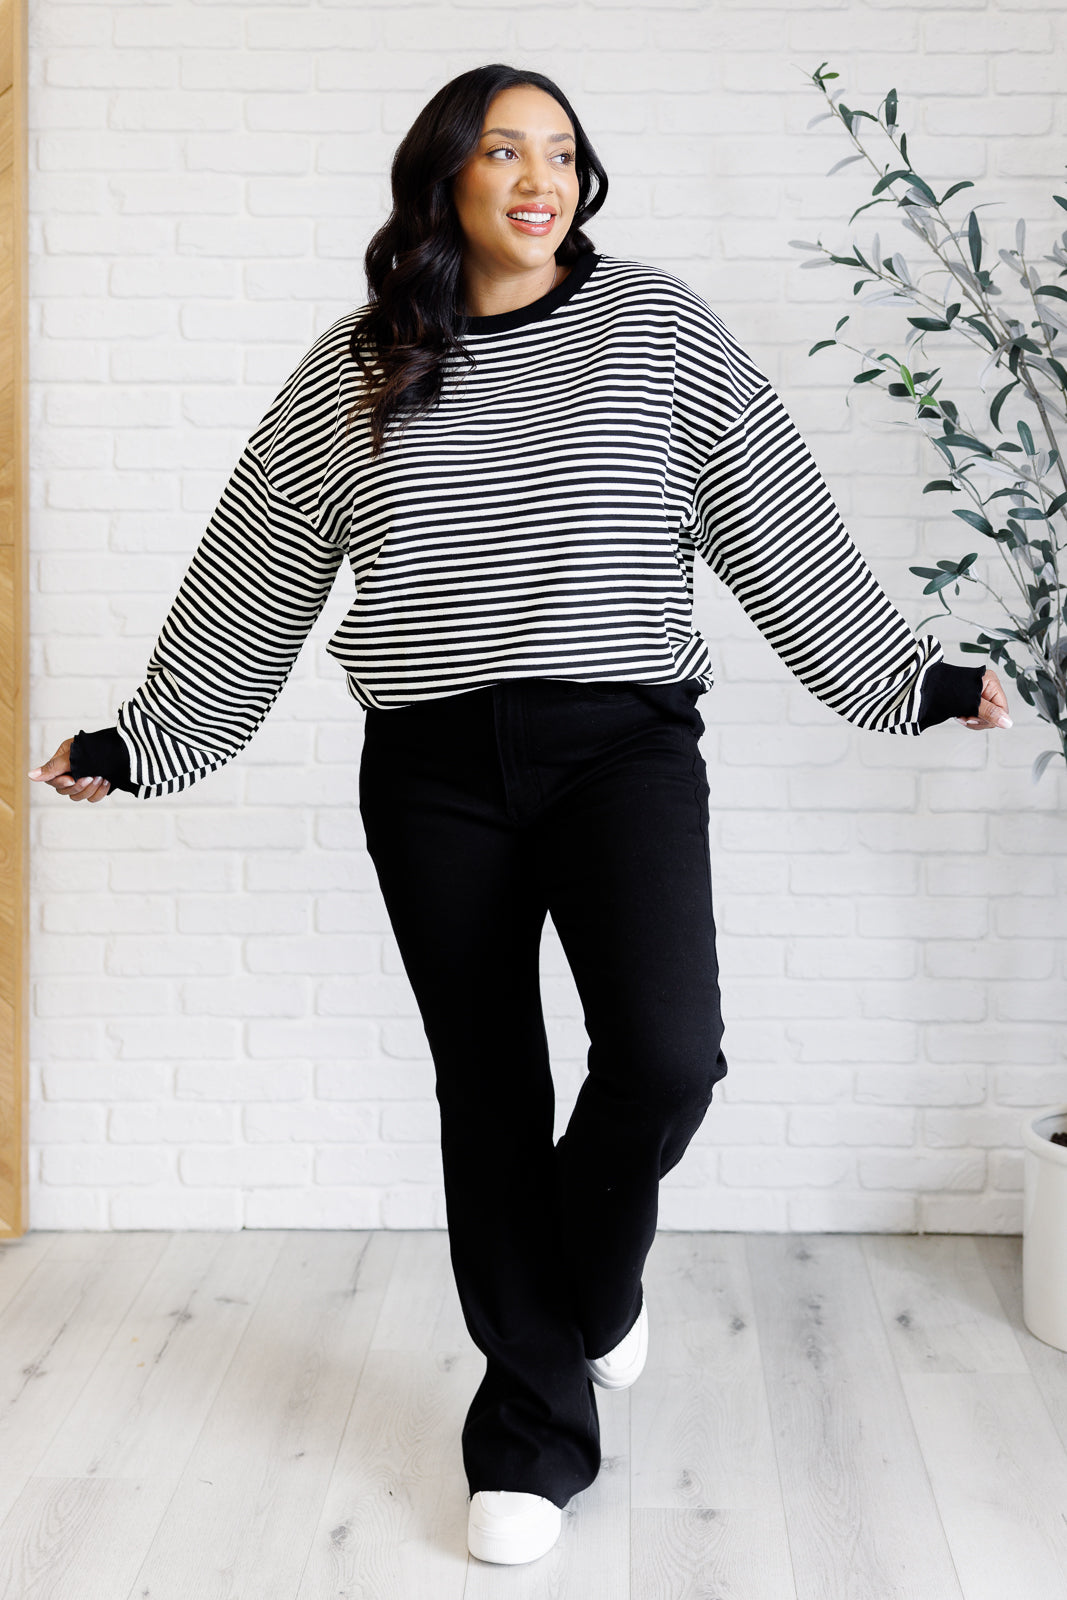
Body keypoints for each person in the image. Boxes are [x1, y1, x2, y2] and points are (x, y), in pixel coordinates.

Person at [28, 64, 1011, 1567]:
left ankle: (590, 1294)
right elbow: (255, 576)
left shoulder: (657, 328)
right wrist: (144, 740)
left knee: (669, 1055)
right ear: (447, 178)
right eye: (505, 150)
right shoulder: (358, 366)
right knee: (486, 1093)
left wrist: (909, 678)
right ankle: (530, 1437)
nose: (540, 177)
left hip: (621, 752)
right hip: (430, 770)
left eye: (561, 152)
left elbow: (777, 525)